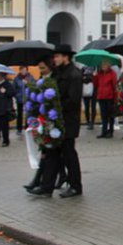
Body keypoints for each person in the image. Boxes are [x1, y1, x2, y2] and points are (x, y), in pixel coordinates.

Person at [29, 44, 84, 198]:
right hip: (55, 120)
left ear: (66, 57)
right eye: (54, 56)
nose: (55, 59)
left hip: (67, 121)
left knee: (69, 154)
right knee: (52, 152)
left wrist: (56, 108)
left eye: (57, 56)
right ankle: (47, 187)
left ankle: (75, 186)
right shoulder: (57, 73)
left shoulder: (74, 74)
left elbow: (73, 100)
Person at [93, 60, 118, 138]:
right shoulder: (99, 74)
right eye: (102, 65)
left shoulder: (112, 73)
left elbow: (115, 86)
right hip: (101, 97)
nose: (103, 66)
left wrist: (115, 98)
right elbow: (95, 84)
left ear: (109, 65)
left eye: (105, 65)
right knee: (103, 115)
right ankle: (104, 132)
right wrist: (94, 76)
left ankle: (110, 131)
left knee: (110, 115)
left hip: (109, 97)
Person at [13, 66, 35, 135]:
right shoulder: (17, 78)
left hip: (28, 98)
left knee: (28, 114)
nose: (23, 71)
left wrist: (28, 84)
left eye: (25, 70)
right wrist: (17, 96)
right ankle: (19, 128)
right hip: (20, 98)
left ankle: (27, 127)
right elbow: (14, 88)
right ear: (20, 70)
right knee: (19, 114)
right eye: (22, 70)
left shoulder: (30, 77)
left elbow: (34, 86)